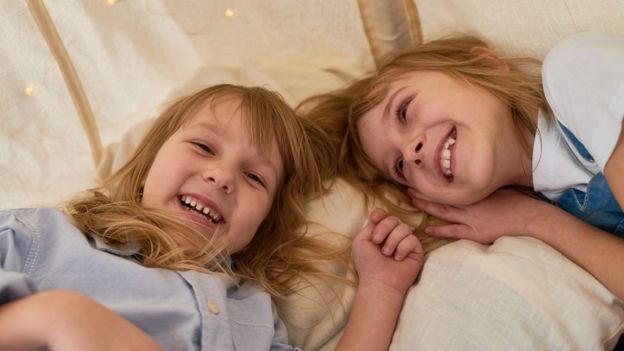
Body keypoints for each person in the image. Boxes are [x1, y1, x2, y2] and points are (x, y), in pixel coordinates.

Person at [0, 84, 423, 351]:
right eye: (203, 146)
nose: (222, 176)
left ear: (262, 227)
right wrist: (59, 318)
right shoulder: (44, 238)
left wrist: (381, 288)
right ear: (148, 163)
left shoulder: (252, 317)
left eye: (255, 176)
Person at [300, 33, 624, 300]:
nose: (411, 152)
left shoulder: (575, 73)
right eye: (399, 166)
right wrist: (534, 221)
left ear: (484, 64)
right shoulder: (558, 204)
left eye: (403, 110)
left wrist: (537, 220)